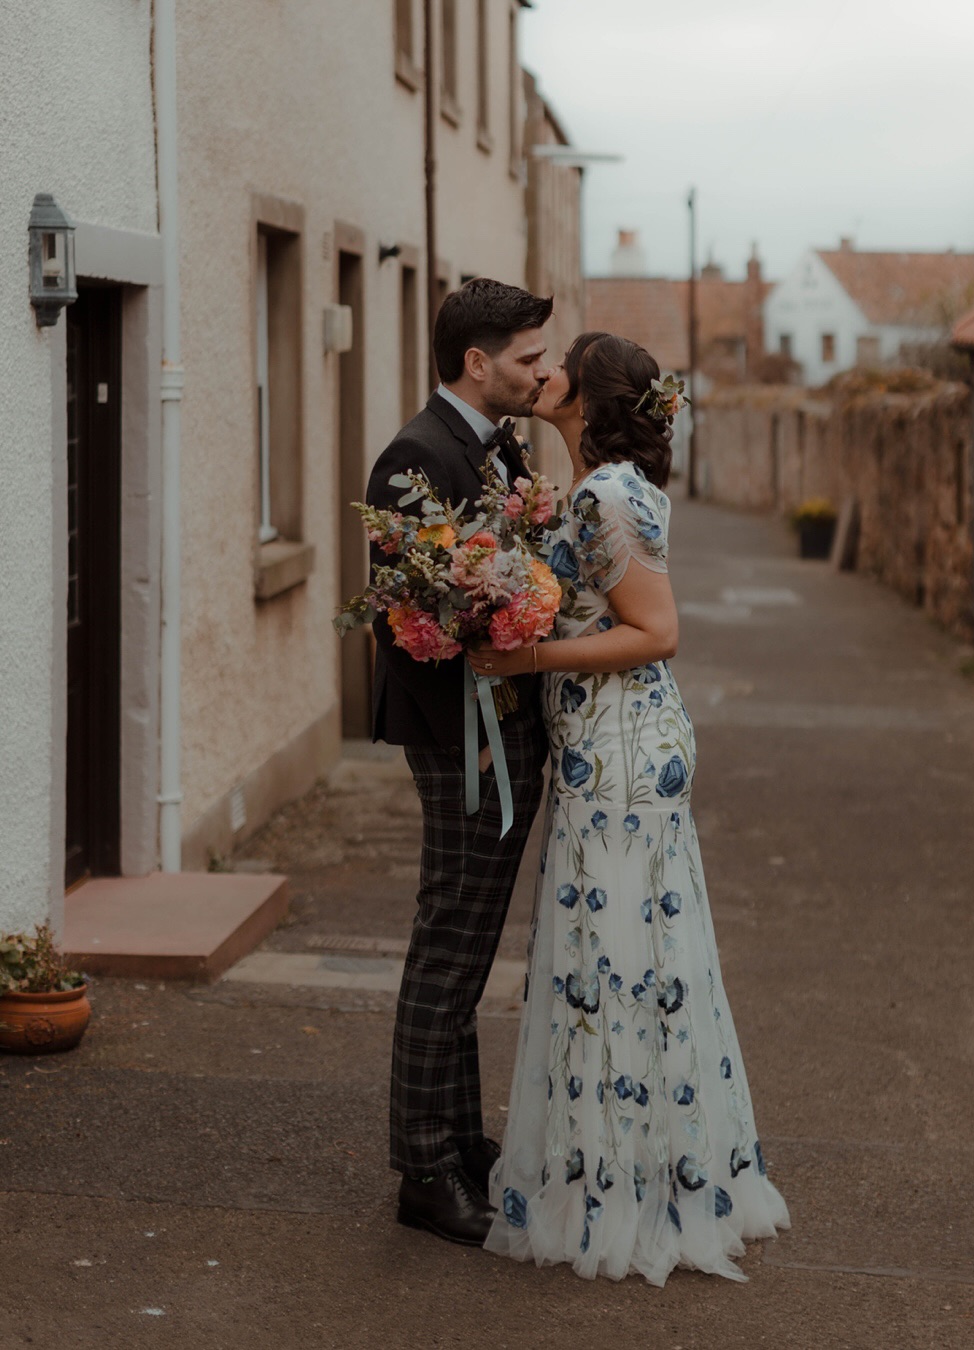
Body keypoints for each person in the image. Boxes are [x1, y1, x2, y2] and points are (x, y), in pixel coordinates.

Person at [470, 332, 790, 1285]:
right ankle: (634, 1170)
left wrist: (528, 658)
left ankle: (621, 1191)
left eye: (561, 363)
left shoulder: (603, 495)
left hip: (617, 757)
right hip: (618, 749)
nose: (545, 373)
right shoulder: (600, 488)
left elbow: (657, 632)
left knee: (613, 964)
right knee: (641, 957)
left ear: (591, 400)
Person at [365, 277, 553, 1246]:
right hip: (456, 737)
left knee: (472, 950)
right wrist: (483, 616)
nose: (542, 372)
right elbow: (408, 623)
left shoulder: (497, 444)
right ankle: (422, 1167)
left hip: (502, 725)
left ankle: (459, 1134)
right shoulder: (414, 456)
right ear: (476, 362)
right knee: (447, 947)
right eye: (527, 358)